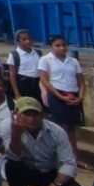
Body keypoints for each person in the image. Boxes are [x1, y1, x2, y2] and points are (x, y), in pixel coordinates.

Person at [4, 96, 87, 186]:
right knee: (11, 166)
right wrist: (16, 136)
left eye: (36, 114)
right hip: (25, 170)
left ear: (43, 114)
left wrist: (56, 185)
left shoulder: (57, 131)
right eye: (27, 114)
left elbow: (69, 163)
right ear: (16, 114)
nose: (32, 119)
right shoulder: (8, 126)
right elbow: (13, 156)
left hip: (50, 172)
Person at [39, 35, 86, 163]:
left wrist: (80, 97)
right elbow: (45, 80)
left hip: (72, 94)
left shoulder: (73, 61)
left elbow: (81, 81)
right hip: (57, 94)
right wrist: (59, 96)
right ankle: (62, 156)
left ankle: (75, 156)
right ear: (51, 47)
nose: (62, 48)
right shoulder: (45, 60)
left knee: (72, 128)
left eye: (64, 45)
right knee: (60, 127)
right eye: (57, 45)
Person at [8, 29, 42, 100]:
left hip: (38, 84)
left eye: (29, 39)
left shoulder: (38, 53)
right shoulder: (14, 55)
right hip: (24, 84)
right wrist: (17, 93)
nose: (28, 41)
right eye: (24, 39)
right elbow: (12, 75)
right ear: (18, 42)